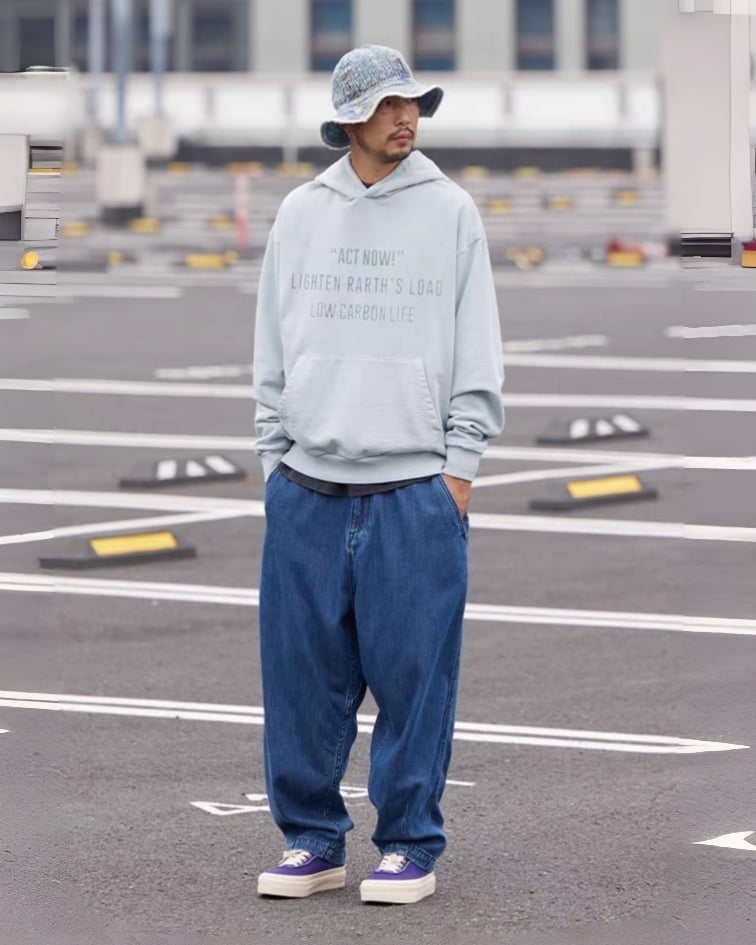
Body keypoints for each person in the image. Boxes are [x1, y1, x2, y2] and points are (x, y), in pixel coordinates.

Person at [253, 44, 504, 905]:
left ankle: (408, 845)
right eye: (388, 105)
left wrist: (459, 467)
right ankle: (312, 840)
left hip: (414, 487)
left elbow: (477, 344)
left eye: (413, 104)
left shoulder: (450, 210)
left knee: (415, 683)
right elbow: (272, 345)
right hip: (306, 486)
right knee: (299, 683)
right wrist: (274, 461)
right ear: (348, 117)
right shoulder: (300, 212)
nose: (406, 118)